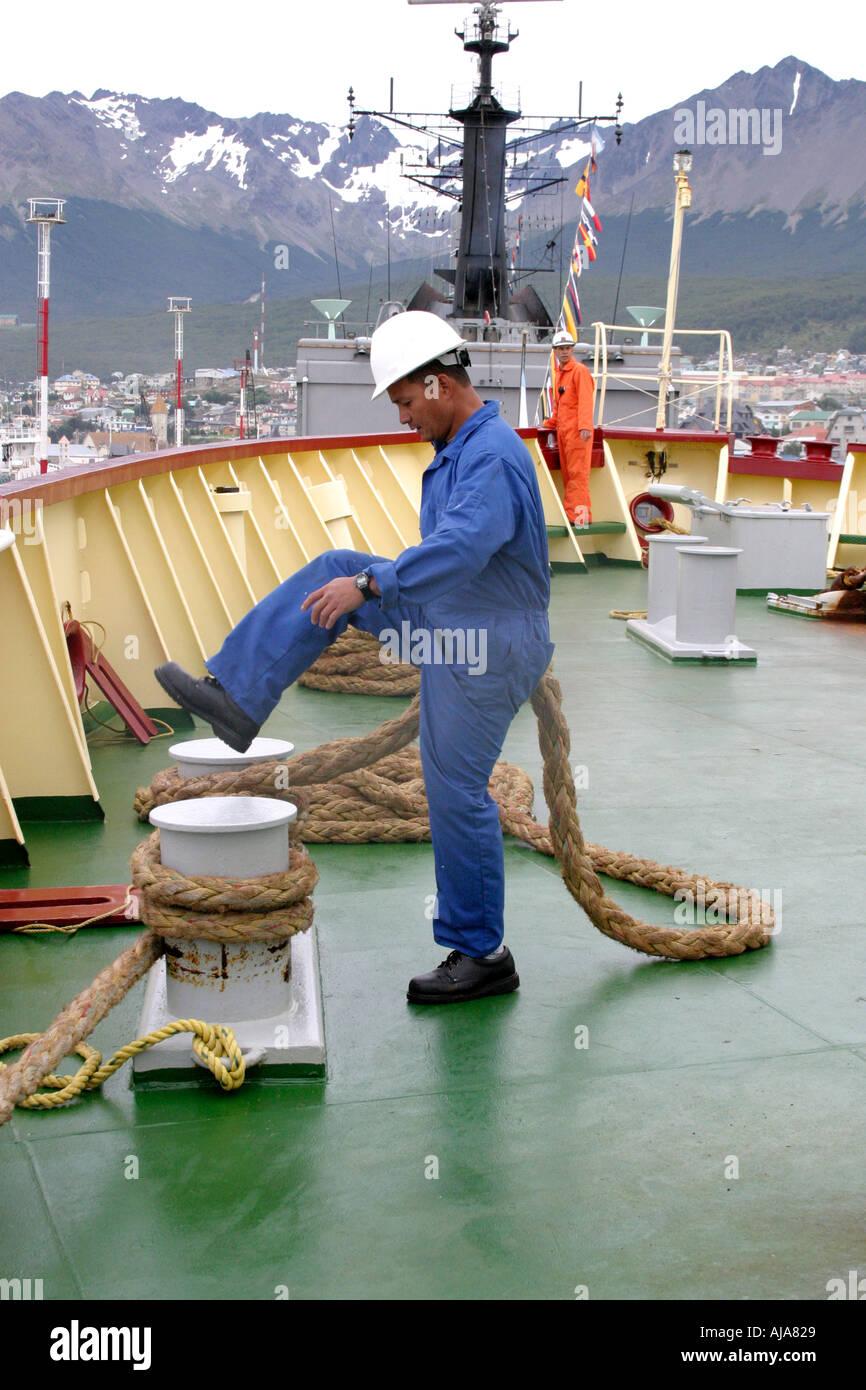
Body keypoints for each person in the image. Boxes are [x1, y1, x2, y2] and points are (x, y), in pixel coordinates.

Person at [154, 311, 554, 1004]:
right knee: (332, 568)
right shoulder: (465, 447)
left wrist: (371, 587)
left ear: (437, 383)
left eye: (404, 402)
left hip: (486, 643)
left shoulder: (488, 456)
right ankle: (236, 697)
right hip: (455, 619)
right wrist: (364, 584)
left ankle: (482, 953)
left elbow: (463, 547)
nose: (402, 419)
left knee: (455, 794)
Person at [541, 329, 595, 525]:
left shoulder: (579, 371)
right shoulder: (561, 375)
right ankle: (573, 515)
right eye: (560, 348)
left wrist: (585, 427)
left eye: (567, 348)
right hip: (564, 433)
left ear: (572, 350)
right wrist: (547, 425)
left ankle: (580, 519)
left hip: (577, 433)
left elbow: (585, 400)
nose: (564, 352)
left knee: (577, 476)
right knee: (569, 475)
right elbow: (560, 407)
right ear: (555, 351)